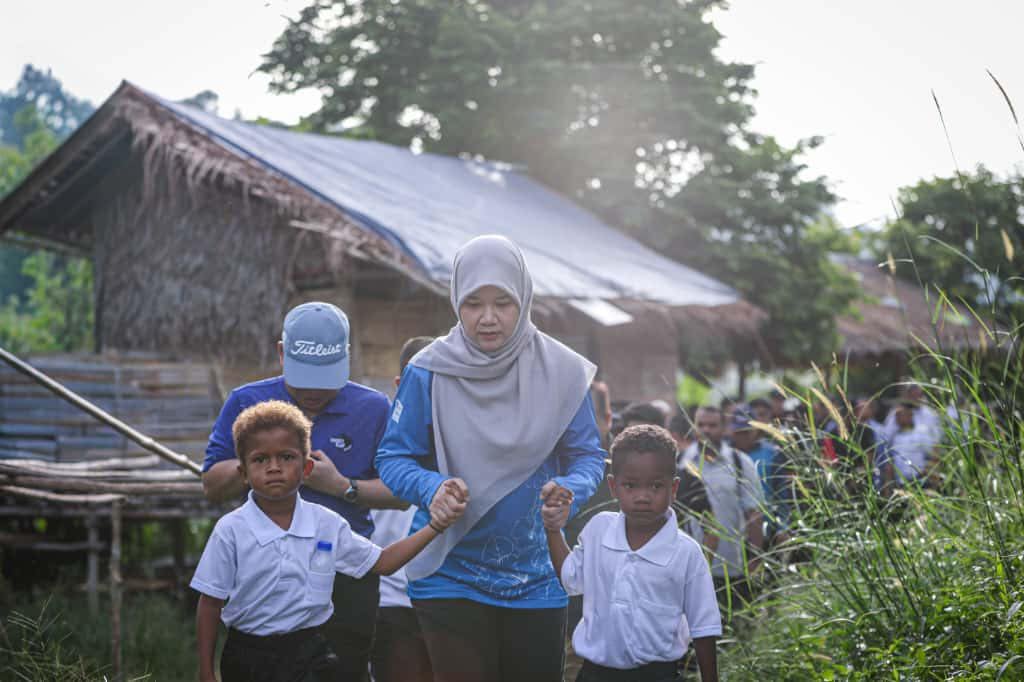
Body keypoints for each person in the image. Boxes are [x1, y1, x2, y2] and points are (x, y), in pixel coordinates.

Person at [376, 235, 607, 682]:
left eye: (503, 302)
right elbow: (393, 456)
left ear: (523, 298)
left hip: (538, 576)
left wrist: (570, 492)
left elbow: (587, 457)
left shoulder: (563, 372)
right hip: (449, 570)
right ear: (455, 302)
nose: (487, 318)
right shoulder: (429, 370)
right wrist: (432, 488)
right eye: (472, 303)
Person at [201, 301, 405, 680]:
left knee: (345, 670)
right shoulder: (248, 402)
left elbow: (401, 492)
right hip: (266, 570)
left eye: (325, 377)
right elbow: (212, 485)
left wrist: (342, 486)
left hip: (347, 569)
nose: (313, 390)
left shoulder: (373, 408)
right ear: (282, 353)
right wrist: (262, 461)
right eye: (303, 376)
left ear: (346, 358)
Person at [193, 400, 465, 682]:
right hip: (248, 657)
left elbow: (383, 562)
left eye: (286, 457)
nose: (274, 467)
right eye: (261, 459)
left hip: (310, 654)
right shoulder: (231, 530)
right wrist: (205, 671)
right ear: (244, 474)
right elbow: (210, 603)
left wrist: (436, 525)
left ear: (307, 468)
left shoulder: (326, 523)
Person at [543, 424, 721, 681]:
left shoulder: (686, 553)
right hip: (595, 673)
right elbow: (571, 579)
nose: (643, 497)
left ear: (674, 488)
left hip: (658, 675)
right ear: (614, 487)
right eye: (631, 486)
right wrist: (553, 531)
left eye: (656, 486)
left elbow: (704, 628)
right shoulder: (599, 530)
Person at [370, 336, 435, 682]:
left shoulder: (469, 437)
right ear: (399, 385)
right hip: (392, 599)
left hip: (452, 598)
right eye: (419, 380)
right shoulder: (375, 436)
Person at [681, 406, 764, 611]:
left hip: (729, 568)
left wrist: (755, 558)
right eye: (701, 425)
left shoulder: (740, 463)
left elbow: (754, 513)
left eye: (712, 425)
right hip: (686, 570)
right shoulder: (680, 463)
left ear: (724, 428)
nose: (706, 430)